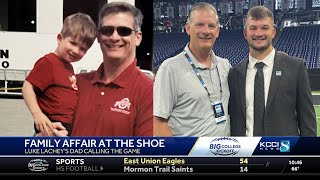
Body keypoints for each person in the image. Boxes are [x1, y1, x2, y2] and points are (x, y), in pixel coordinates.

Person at [228, 6, 317, 136]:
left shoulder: (295, 68)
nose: (259, 33)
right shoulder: (235, 74)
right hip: (246, 154)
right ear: (245, 34)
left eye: (264, 28)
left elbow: (307, 122)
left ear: (273, 32)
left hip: (284, 152)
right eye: (253, 28)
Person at [69, 2, 153, 136]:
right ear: (98, 37)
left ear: (137, 38)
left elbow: (145, 152)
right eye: (107, 30)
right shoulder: (76, 83)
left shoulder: (149, 92)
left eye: (123, 31)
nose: (114, 37)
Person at [154, 2, 231, 136]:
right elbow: (158, 122)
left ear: (217, 31)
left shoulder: (225, 66)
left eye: (211, 26)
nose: (206, 31)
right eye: (199, 25)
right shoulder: (170, 68)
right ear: (188, 28)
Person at [22, 13, 97, 136]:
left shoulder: (69, 67)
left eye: (83, 49)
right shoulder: (48, 62)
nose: (76, 51)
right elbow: (27, 87)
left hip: (65, 128)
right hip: (51, 127)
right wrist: (38, 114)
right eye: (73, 43)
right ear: (60, 38)